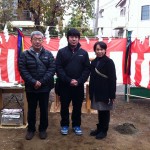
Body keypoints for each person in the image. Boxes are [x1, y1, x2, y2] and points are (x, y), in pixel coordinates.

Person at [18, 31, 55, 140]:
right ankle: (31, 129)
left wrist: (41, 82)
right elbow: (22, 70)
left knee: (44, 109)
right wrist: (33, 82)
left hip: (44, 88)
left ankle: (43, 129)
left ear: (43, 40)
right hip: (31, 87)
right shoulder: (24, 54)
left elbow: (52, 69)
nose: (38, 41)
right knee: (31, 109)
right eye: (35, 39)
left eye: (40, 39)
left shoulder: (48, 54)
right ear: (31, 40)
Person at [55, 28, 90, 135]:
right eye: (71, 37)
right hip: (65, 85)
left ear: (79, 39)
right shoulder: (61, 52)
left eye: (76, 37)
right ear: (68, 38)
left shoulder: (83, 53)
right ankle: (64, 125)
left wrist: (79, 81)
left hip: (78, 86)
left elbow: (87, 69)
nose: (74, 39)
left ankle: (76, 125)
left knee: (77, 107)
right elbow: (58, 68)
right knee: (64, 107)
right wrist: (68, 80)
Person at [89, 41, 116, 140]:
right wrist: (91, 92)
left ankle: (104, 130)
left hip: (106, 91)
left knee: (105, 111)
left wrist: (112, 95)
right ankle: (99, 128)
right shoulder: (94, 62)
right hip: (96, 90)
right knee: (100, 111)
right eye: (97, 49)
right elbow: (92, 77)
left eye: (102, 49)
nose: (99, 51)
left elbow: (113, 79)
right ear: (95, 51)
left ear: (105, 50)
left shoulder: (109, 62)